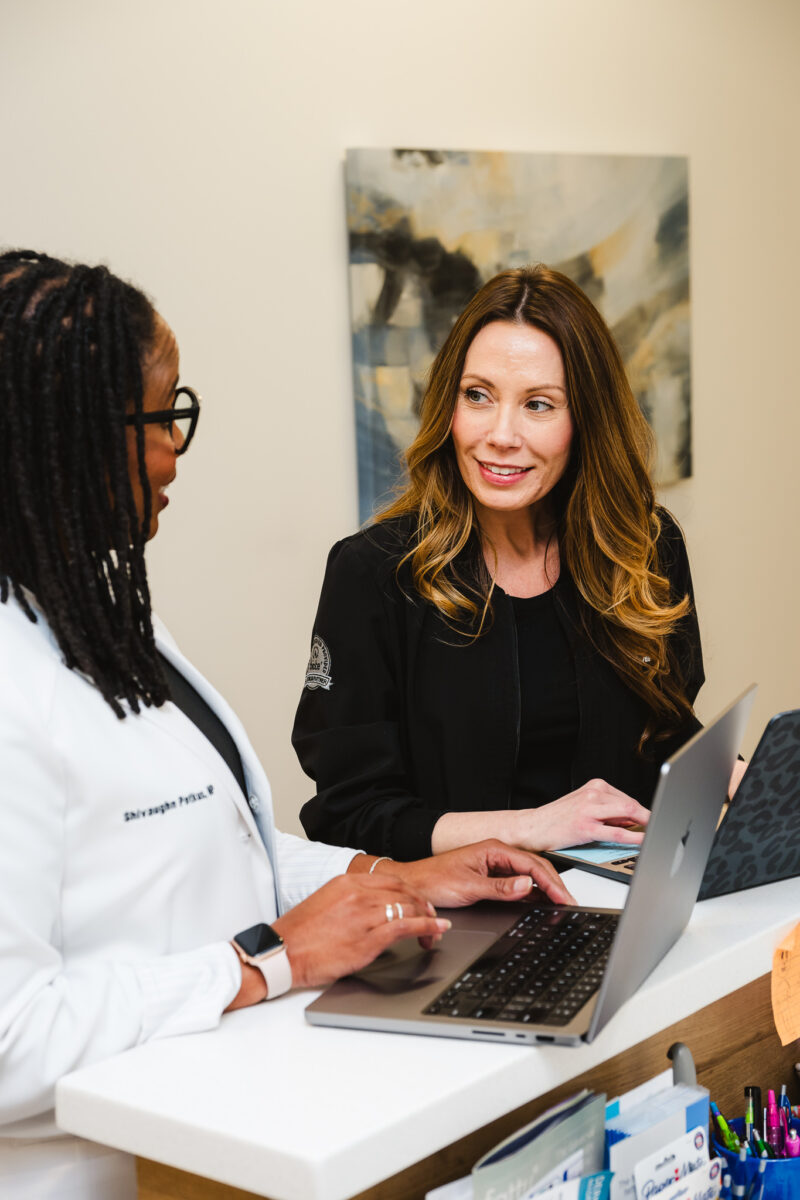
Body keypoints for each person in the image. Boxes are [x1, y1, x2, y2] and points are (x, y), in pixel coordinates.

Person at [0, 250, 572, 1200]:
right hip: (100, 1173)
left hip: (223, 1125)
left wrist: (386, 878)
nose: (177, 452)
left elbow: (217, 848)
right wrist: (267, 958)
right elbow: (10, 1039)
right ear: (70, 437)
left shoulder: (96, 608)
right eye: (163, 416)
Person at [294, 264, 732, 862]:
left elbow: (663, 736)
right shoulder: (373, 575)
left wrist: (723, 777)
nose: (501, 434)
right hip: (450, 930)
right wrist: (532, 827)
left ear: (586, 421)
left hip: (621, 911)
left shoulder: (645, 549)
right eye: (478, 396)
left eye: (538, 405)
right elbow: (349, 815)